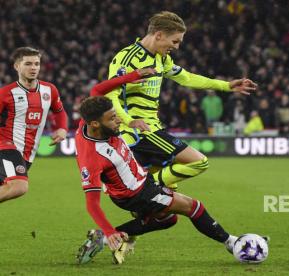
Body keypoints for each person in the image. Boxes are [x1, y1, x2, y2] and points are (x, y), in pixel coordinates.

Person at [75, 72, 265, 264]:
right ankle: (232, 243)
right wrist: (108, 228)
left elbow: (97, 90)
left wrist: (132, 76)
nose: (118, 121)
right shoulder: (91, 158)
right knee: (193, 207)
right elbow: (92, 204)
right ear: (95, 124)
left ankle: (107, 238)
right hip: (137, 194)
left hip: (141, 177)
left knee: (167, 220)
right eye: (112, 119)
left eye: (116, 116)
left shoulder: (89, 120)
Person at [102, 11, 257, 190]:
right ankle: (143, 188)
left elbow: (186, 78)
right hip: (139, 132)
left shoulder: (162, 58)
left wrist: (227, 86)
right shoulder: (127, 58)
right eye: (175, 41)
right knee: (199, 162)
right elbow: (110, 95)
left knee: (166, 196)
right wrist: (130, 121)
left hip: (152, 128)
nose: (176, 47)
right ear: (159, 35)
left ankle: (143, 197)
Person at [0, 47, 68, 203]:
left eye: (37, 64)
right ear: (17, 66)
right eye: (28, 64)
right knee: (19, 186)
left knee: (7, 188)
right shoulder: (5, 94)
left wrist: (62, 128)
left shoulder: (49, 90)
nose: (34, 68)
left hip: (28, 152)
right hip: (6, 146)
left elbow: (59, 111)